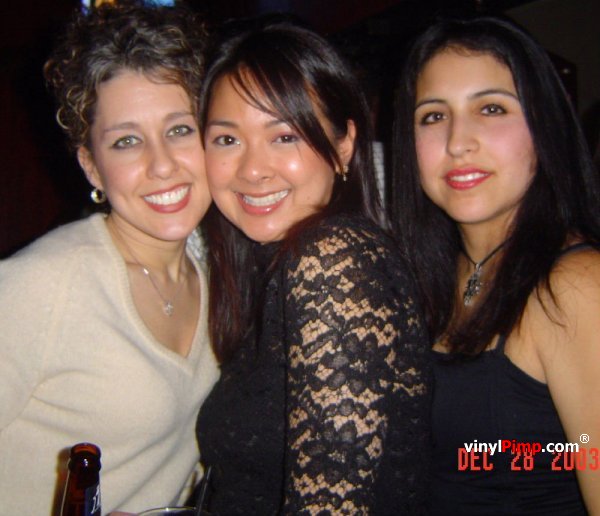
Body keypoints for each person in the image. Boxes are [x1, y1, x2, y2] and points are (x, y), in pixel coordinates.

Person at [194, 20, 431, 515]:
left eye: (284, 136)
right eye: (226, 139)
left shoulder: (335, 259)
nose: (252, 170)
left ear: (344, 145)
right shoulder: (269, 268)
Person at [0, 2, 219, 514]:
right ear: (92, 167)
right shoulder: (40, 287)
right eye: (126, 141)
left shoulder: (218, 269)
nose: (161, 164)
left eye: (180, 129)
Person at [391, 15, 600, 515]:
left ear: (544, 126)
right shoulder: (426, 278)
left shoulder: (576, 286)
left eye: (491, 108)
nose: (457, 142)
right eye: (433, 116)